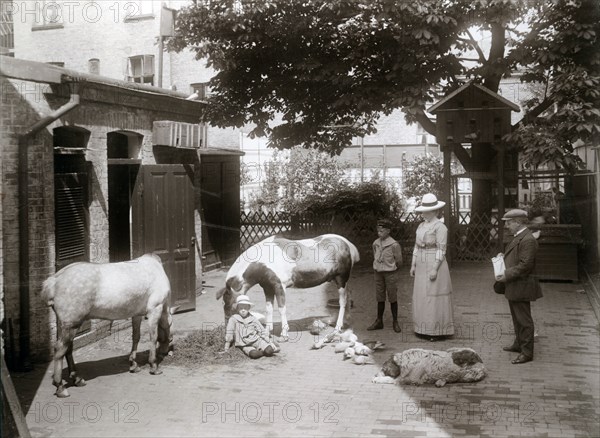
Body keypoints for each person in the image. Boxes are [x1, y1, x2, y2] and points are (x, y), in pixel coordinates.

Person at [495, 209, 543, 364]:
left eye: (509, 223)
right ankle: (519, 344)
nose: (507, 226)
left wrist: (506, 274)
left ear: (517, 222)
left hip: (521, 284)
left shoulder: (527, 239)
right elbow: (517, 258)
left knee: (524, 319)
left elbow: (525, 265)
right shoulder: (520, 236)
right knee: (517, 317)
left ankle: (527, 352)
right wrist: (504, 257)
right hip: (516, 284)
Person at [410, 193, 454, 340]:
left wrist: (435, 267)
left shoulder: (440, 227)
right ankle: (422, 328)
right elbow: (416, 246)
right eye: (422, 211)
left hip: (435, 261)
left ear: (434, 211)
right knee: (421, 295)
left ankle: (436, 330)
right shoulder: (421, 226)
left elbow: (442, 249)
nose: (422, 214)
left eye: (425, 211)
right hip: (422, 263)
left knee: (434, 297)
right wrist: (413, 264)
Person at [367, 219, 403, 333]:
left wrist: (391, 268)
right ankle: (379, 321)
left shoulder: (394, 245)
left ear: (388, 231)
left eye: (381, 230)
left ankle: (395, 321)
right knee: (380, 296)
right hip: (378, 273)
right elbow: (375, 256)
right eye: (378, 230)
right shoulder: (376, 243)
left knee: (392, 296)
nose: (379, 232)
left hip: (390, 273)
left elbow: (399, 261)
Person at [224, 295, 279, 359]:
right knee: (254, 355)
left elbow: (262, 331)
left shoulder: (253, 318)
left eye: (245, 308)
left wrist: (270, 342)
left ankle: (269, 349)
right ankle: (262, 352)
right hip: (245, 344)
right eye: (241, 308)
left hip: (257, 341)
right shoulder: (233, 319)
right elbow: (229, 332)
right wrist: (226, 346)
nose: (243, 310)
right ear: (237, 309)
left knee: (269, 350)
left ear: (249, 308)